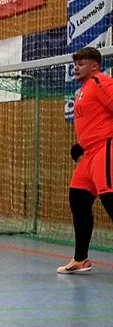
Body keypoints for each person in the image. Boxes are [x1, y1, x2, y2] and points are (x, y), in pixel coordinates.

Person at [59, 46, 113, 274]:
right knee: (78, 199)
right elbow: (95, 121)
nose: (76, 68)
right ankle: (80, 259)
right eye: (75, 64)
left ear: (94, 66)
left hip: (105, 149)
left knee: (110, 200)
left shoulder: (102, 82)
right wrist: (80, 144)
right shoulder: (83, 89)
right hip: (88, 154)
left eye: (81, 64)